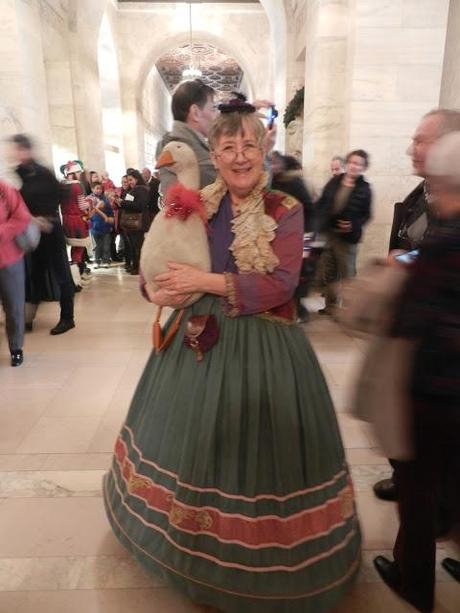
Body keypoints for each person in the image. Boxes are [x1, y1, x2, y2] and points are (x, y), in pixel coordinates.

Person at [104, 102, 361, 613]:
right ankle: (186, 552)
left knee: (258, 459)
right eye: (228, 147)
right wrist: (152, 290)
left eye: (248, 145)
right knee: (190, 446)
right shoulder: (194, 201)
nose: (239, 156)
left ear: (262, 149)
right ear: (214, 155)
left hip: (266, 347)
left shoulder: (285, 209)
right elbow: (160, 256)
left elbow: (281, 284)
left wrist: (202, 281)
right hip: (193, 340)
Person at [373, 131, 460, 613]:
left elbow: (410, 320)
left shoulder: (444, 241)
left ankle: (415, 584)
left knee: (419, 491)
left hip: (436, 390)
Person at [10, 134, 76, 335]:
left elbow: (62, 193)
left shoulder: (43, 173)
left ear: (27, 150)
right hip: (32, 231)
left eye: (19, 149)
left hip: (50, 229)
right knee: (35, 275)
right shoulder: (20, 173)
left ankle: (68, 318)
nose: (15, 153)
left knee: (62, 275)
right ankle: (28, 318)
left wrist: (47, 217)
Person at [316, 149, 372, 314]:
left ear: (363, 167)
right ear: (347, 163)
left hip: (348, 238)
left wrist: (353, 226)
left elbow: (366, 215)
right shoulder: (334, 182)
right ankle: (331, 306)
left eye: (359, 164)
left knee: (347, 274)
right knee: (329, 272)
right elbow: (323, 202)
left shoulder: (364, 188)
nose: (354, 166)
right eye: (352, 162)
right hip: (330, 233)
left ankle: (349, 310)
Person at [270, 151, 316, 322]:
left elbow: (309, 208)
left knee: (299, 270)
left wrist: (306, 233)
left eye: (275, 163)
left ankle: (299, 309)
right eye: (271, 163)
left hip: (303, 233)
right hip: (280, 234)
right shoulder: (272, 182)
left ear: (282, 165)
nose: (273, 166)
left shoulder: (294, 182)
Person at [158, 79, 218, 194]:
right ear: (195, 112)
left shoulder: (169, 141)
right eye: (212, 108)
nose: (215, 116)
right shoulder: (185, 147)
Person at [0, 180, 31, 366]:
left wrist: (2, 231)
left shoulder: (4, 189)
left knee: (13, 306)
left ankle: (16, 348)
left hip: (8, 257)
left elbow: (22, 216)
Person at [120, 169, 149, 275]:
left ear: (137, 178)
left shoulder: (141, 189)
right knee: (133, 246)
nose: (129, 182)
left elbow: (139, 206)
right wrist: (121, 202)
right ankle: (135, 266)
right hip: (132, 223)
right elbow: (129, 202)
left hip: (138, 222)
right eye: (128, 180)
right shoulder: (134, 190)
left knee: (138, 246)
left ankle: (139, 268)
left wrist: (122, 203)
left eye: (131, 180)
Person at [88, 182, 114, 268]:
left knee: (106, 245)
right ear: (92, 189)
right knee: (96, 246)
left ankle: (106, 260)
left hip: (105, 225)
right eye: (97, 188)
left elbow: (110, 212)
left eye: (100, 188)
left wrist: (111, 221)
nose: (99, 190)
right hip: (94, 227)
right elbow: (87, 214)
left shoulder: (105, 199)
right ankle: (97, 260)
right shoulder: (89, 199)